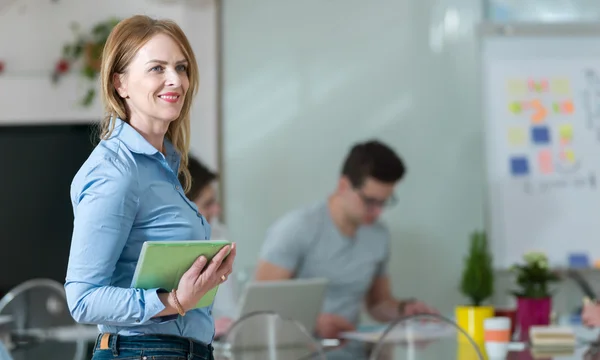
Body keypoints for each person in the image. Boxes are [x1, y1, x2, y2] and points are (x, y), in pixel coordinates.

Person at [64, 15, 236, 360]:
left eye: (181, 67)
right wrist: (173, 301)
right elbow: (82, 299)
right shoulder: (116, 170)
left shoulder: (163, 167)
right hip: (142, 352)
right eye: (157, 68)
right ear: (120, 83)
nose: (176, 80)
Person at [255, 140, 437, 339]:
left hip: (353, 351)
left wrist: (404, 310)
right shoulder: (297, 228)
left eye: (385, 202)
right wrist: (312, 323)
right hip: (303, 351)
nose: (377, 211)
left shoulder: (379, 234)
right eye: (370, 201)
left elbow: (378, 303)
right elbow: (260, 309)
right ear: (343, 186)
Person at [181, 155, 238, 337]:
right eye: (208, 204)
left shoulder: (218, 235)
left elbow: (228, 308)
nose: (217, 210)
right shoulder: (160, 246)